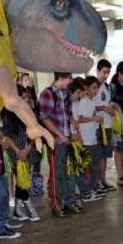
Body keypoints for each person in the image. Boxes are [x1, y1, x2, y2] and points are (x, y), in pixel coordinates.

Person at [39, 72, 82, 218]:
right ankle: (57, 205)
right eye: (69, 78)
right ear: (61, 77)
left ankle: (70, 202)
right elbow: (45, 119)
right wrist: (60, 134)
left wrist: (72, 121)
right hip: (55, 141)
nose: (71, 81)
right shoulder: (47, 93)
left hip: (67, 138)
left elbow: (68, 113)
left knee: (70, 172)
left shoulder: (68, 94)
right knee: (58, 174)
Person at [2, 87, 41, 222]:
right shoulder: (8, 113)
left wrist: (28, 149)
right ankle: (27, 204)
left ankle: (19, 207)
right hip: (15, 153)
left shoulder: (31, 112)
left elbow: (36, 132)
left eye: (27, 97)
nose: (26, 100)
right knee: (21, 179)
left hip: (28, 151)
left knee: (23, 180)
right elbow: (5, 134)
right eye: (23, 97)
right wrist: (18, 151)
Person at [93, 59, 117, 192]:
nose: (106, 75)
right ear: (97, 71)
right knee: (97, 155)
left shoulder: (107, 87)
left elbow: (107, 103)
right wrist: (103, 108)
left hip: (107, 124)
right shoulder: (93, 86)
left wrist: (112, 106)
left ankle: (102, 180)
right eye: (104, 72)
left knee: (104, 155)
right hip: (97, 126)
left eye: (108, 73)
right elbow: (88, 107)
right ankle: (96, 181)